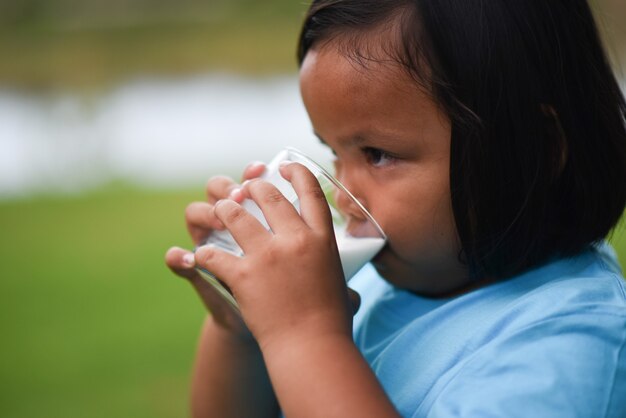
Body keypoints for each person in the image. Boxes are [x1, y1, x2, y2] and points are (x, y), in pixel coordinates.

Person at [165, 0, 626, 416]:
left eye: (377, 154)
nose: (343, 198)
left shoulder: (572, 348)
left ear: (533, 151)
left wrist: (303, 333)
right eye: (333, 153)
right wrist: (243, 333)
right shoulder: (376, 278)